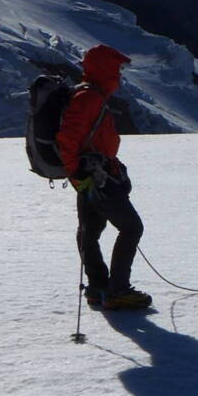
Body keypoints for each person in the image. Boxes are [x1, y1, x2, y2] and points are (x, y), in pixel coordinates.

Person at [57, 44, 152, 311]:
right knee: (131, 227)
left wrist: (79, 173)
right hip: (95, 176)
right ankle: (117, 291)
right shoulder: (89, 98)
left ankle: (98, 286)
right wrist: (78, 171)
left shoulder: (88, 95)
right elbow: (69, 138)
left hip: (91, 174)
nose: (120, 74)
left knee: (90, 230)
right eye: (117, 68)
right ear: (106, 69)